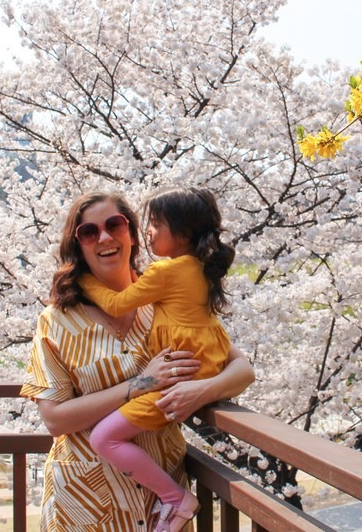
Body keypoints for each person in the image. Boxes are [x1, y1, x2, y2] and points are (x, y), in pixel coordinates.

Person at [20, 192, 254, 532]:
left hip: (162, 510)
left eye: (114, 224)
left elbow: (242, 369)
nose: (104, 237)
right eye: (88, 232)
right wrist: (140, 385)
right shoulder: (56, 321)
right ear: (78, 245)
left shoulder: (168, 301)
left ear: (131, 232)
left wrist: (201, 391)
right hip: (86, 505)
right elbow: (55, 420)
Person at [78, 187, 235, 532]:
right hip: (201, 364)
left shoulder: (167, 272)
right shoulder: (197, 267)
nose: (147, 232)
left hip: (180, 377)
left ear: (181, 233)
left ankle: (175, 498)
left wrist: (85, 281)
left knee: (105, 438)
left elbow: (119, 304)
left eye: (156, 224)